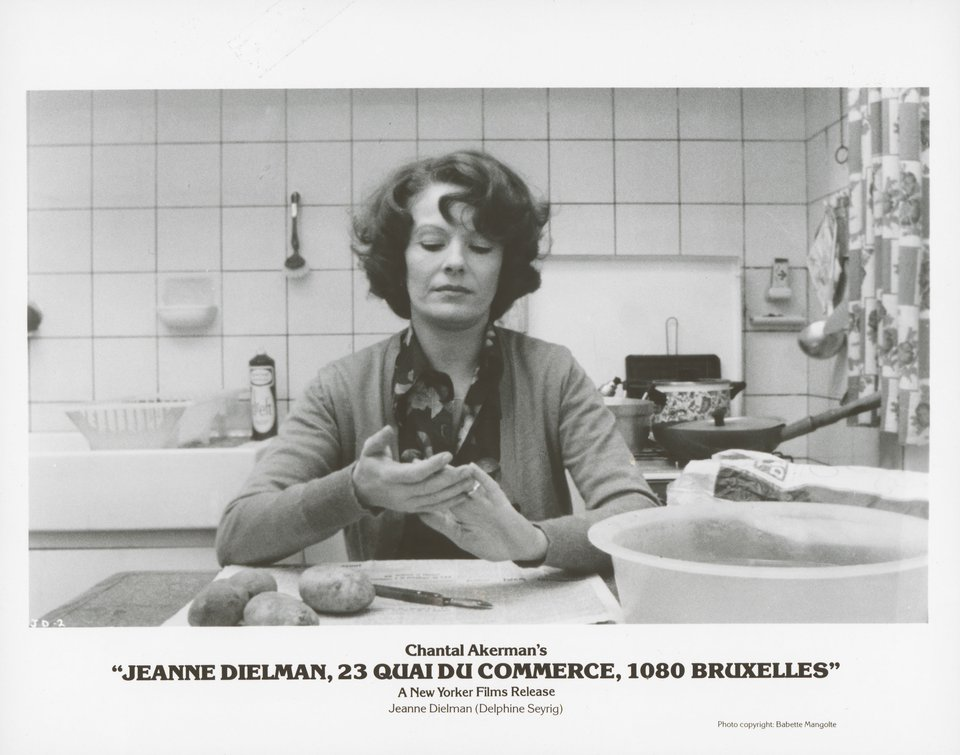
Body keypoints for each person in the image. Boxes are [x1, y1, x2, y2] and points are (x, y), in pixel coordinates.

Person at [215, 150, 660, 574]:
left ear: (504, 265)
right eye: (431, 243)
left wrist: (532, 542)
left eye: (480, 246)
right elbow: (238, 535)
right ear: (399, 260)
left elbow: (638, 517)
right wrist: (356, 488)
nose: (455, 262)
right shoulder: (341, 387)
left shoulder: (553, 374)